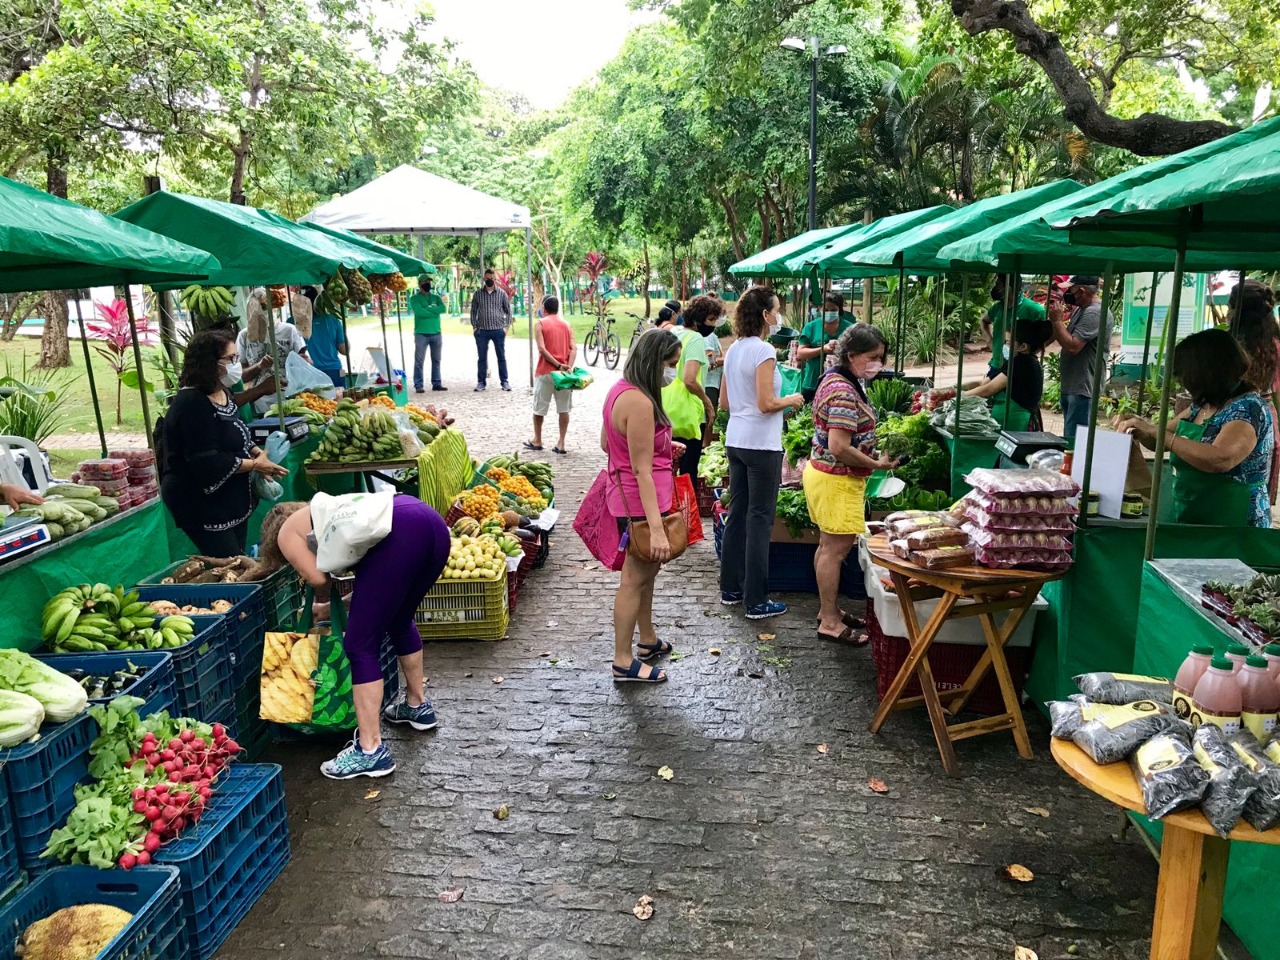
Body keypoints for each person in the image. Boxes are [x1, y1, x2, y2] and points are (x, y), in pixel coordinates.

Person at [257, 494, 451, 778]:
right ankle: (416, 705)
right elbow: (377, 591)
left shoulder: (288, 532)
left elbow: (318, 579)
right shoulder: (329, 511)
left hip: (401, 533)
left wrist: (317, 596)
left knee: (359, 645)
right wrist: (327, 609)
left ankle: (370, 750)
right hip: (428, 521)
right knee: (399, 618)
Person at [1117, 328, 1274, 528]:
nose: (1182, 383)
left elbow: (1221, 459)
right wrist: (1140, 429)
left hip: (1235, 523)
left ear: (1206, 374)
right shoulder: (1201, 406)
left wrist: (1158, 433)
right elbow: (1159, 442)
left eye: (1185, 375)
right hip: (1195, 515)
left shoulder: (1248, 408)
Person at [803, 324, 898, 642]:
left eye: (880, 357)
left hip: (824, 476)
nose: (878, 364)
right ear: (852, 355)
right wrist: (877, 465)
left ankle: (826, 610)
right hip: (836, 479)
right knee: (835, 551)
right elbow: (840, 447)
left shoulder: (837, 377)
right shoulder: (843, 391)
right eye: (873, 357)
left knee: (827, 547)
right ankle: (829, 621)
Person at [601, 329, 684, 684]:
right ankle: (623, 660)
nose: (673, 372)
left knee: (646, 576)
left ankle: (646, 640)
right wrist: (656, 528)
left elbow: (607, 442)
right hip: (638, 506)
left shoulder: (621, 391)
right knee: (634, 581)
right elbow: (641, 471)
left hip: (637, 500)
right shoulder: (639, 401)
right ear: (654, 362)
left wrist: (661, 448)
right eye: (671, 364)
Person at [160, 331, 288, 557]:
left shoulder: (223, 392)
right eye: (231, 359)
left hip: (231, 500)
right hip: (201, 503)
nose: (236, 365)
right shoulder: (191, 404)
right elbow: (208, 460)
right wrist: (256, 465)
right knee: (229, 563)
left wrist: (259, 454)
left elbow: (239, 432)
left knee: (238, 559)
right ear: (209, 363)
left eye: (237, 358)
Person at [718, 287, 805, 619]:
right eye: (777, 310)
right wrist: (792, 400)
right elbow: (767, 403)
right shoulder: (764, 350)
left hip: (736, 439)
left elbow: (725, 402)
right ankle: (756, 600)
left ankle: (731, 589)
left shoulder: (736, 348)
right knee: (760, 519)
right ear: (766, 315)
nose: (779, 315)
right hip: (761, 444)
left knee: (738, 515)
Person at [1226, 279, 1280, 502]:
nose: (1227, 313)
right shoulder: (1275, 345)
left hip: (1231, 423)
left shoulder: (1230, 347)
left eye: (1231, 307)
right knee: (1257, 496)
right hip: (1268, 423)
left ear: (1240, 312)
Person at [661, 294, 717, 478]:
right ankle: (685, 507)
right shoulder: (695, 338)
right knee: (687, 472)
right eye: (710, 319)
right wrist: (708, 403)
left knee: (667, 470)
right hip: (688, 416)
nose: (713, 325)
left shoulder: (674, 332)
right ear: (697, 319)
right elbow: (690, 379)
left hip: (667, 410)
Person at [963, 318, 1053, 431]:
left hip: (1017, 422)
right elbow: (984, 383)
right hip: (1009, 420)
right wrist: (954, 389)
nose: (1005, 345)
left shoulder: (1022, 363)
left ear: (1023, 347)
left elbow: (988, 390)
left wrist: (957, 398)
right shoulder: (1018, 362)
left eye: (1008, 342)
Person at [1048, 275, 1107, 444]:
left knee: (1075, 443)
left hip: (1082, 388)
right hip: (1073, 386)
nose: (1067, 293)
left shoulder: (1094, 313)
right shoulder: (1082, 309)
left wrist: (1058, 320)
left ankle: (1075, 470)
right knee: (1070, 437)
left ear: (1081, 291)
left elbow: (1073, 346)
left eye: (1070, 290)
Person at [236, 287, 310, 415]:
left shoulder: (289, 331)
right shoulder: (244, 336)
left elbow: (307, 362)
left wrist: (302, 362)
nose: (260, 312)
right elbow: (240, 376)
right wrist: (259, 366)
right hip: (259, 404)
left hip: (290, 399)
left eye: (263, 307)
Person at [527, 295, 576, 454]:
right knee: (564, 409)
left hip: (545, 372)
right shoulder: (567, 325)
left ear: (544, 309)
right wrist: (567, 366)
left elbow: (541, 349)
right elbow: (573, 348)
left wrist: (556, 364)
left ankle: (538, 439)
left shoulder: (540, 324)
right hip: (563, 375)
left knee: (539, 407)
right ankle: (561, 443)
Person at [796, 292, 855, 404]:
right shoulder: (811, 327)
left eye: (833, 310)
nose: (829, 313)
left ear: (840, 310)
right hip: (812, 383)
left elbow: (856, 352)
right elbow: (800, 353)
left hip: (841, 382)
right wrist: (823, 349)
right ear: (820, 309)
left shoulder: (849, 328)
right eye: (826, 310)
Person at [984, 274, 1046, 378]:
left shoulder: (1033, 310)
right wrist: (989, 340)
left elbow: (1048, 333)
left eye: (998, 285)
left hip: (1018, 368)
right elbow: (984, 321)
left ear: (1008, 288)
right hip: (996, 364)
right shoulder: (997, 307)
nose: (995, 289)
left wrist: (1032, 351)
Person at [469, 268, 512, 392]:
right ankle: (481, 382)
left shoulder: (502, 294)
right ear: (484, 279)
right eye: (488, 279)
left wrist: (506, 327)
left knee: (501, 356)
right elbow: (473, 312)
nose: (490, 281)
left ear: (495, 280)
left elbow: (508, 311)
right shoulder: (478, 294)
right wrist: (475, 327)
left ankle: (504, 381)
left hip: (498, 330)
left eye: (492, 279)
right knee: (482, 357)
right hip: (482, 331)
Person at [300, 286, 347, 389]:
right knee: (339, 402)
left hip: (308, 372)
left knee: (315, 404)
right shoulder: (333, 319)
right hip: (333, 370)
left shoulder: (292, 322)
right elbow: (344, 350)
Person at [409, 275, 447, 393]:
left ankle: (436, 383)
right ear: (420, 284)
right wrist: (433, 312)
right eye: (426, 282)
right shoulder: (414, 298)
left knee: (436, 360)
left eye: (429, 282)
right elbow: (420, 312)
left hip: (436, 332)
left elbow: (443, 309)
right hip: (421, 333)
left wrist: (427, 309)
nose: (428, 284)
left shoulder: (436, 297)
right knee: (419, 361)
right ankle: (418, 385)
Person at [703, 302, 728, 410]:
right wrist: (729, 359)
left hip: (714, 382)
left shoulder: (713, 335)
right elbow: (711, 362)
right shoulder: (708, 336)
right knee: (709, 415)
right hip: (709, 383)